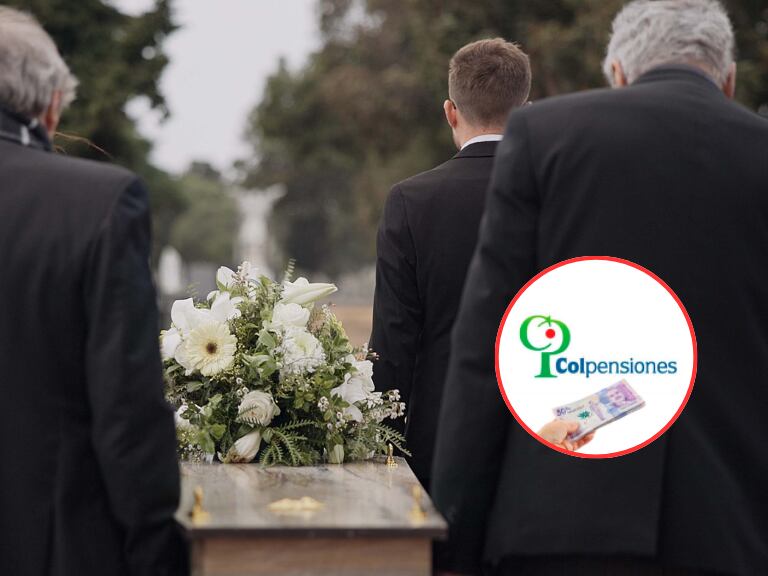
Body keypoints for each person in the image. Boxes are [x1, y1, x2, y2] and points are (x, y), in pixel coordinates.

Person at [431, 1, 768, 575]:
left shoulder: (543, 136)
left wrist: (456, 533)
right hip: (734, 529)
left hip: (562, 521)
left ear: (616, 73)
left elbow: (486, 349)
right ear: (729, 81)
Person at [0, 8, 188, 576]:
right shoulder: (97, 203)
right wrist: (155, 541)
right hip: (49, 539)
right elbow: (125, 407)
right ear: (51, 104)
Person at [369, 38, 531, 489]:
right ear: (526, 108)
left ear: (450, 111)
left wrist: (383, 440)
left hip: (441, 434)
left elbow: (394, 337)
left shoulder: (411, 200)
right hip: (545, 432)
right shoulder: (560, 193)